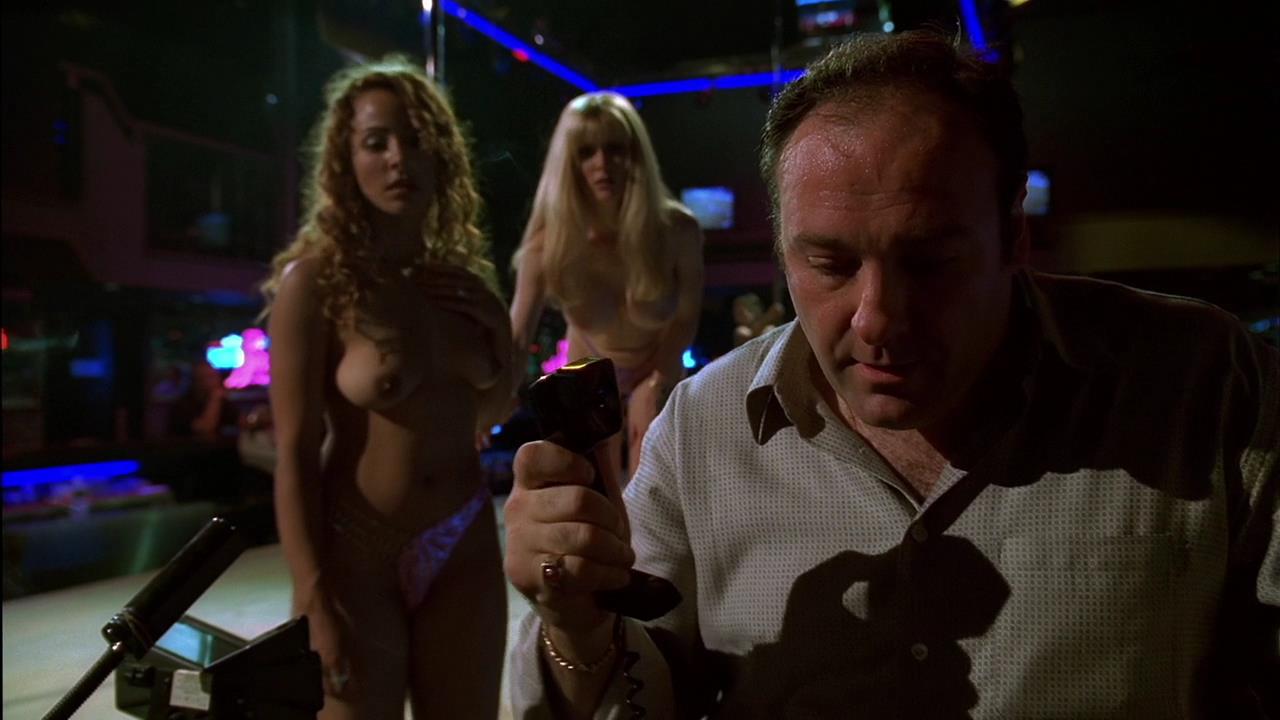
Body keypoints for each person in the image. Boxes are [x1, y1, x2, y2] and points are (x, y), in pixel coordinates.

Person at [502, 31, 1279, 719]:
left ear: (1012, 235)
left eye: (929, 261)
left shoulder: (1206, 386)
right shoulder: (702, 430)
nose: (877, 318)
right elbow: (638, 688)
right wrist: (576, 628)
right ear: (782, 251)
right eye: (831, 264)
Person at [260, 56, 512, 719]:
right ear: (347, 162)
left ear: (441, 155)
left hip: (462, 538)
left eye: (416, 139)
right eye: (377, 142)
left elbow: (491, 413)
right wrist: (312, 596)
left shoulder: (461, 284)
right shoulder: (316, 285)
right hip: (357, 552)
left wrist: (500, 334)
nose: (399, 158)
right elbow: (294, 453)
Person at [509, 91, 705, 481]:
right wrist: (486, 407)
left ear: (636, 154)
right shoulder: (547, 247)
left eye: (615, 149)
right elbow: (517, 338)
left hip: (659, 367)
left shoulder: (678, 231)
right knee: (596, 490)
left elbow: (686, 316)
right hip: (586, 375)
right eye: (586, 152)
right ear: (568, 163)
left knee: (655, 485)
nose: (602, 164)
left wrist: (660, 377)